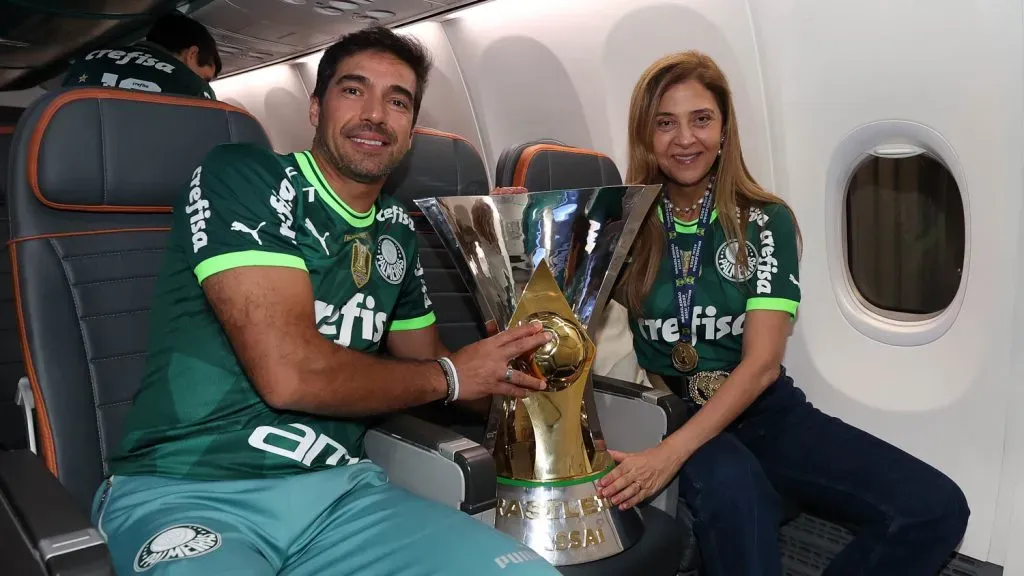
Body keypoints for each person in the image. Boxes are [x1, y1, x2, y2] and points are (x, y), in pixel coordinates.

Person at [89, 26, 561, 575]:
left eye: (398, 101)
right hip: (190, 491)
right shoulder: (244, 175)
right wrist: (454, 376)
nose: (376, 115)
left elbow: (432, 367)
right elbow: (290, 375)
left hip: (341, 499)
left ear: (411, 129)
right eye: (353, 90)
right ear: (315, 108)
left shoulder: (394, 231)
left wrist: (516, 343)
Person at [595, 50, 971, 576]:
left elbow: (763, 363)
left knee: (934, 507)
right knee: (736, 498)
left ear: (724, 131)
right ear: (645, 136)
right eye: (665, 123)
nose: (685, 139)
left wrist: (671, 455)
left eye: (701, 119)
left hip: (766, 411)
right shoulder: (620, 228)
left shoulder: (764, 222)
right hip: (671, 412)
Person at [62, 11, 220, 99]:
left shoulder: (86, 60)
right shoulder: (196, 89)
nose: (204, 82)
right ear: (192, 54)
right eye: (204, 77)